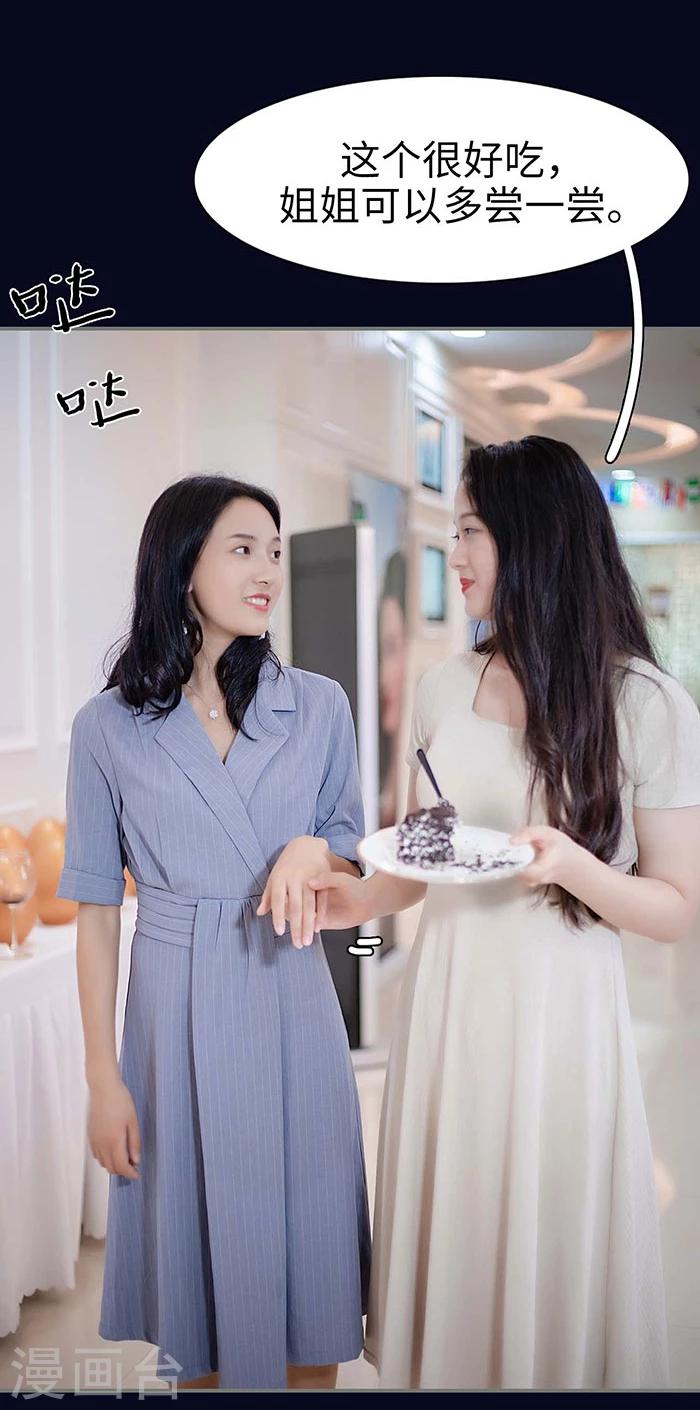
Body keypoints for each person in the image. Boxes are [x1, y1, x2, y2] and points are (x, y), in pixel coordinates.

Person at [309, 435, 700, 1391]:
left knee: (547, 1230)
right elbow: (421, 862)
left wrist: (573, 866)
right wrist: (354, 898)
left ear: (535, 537)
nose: (456, 552)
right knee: (463, 1221)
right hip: (450, 1007)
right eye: (455, 531)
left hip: (564, 1016)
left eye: (471, 530)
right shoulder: (444, 688)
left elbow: (676, 908)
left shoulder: (646, 703)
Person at [56, 475, 371, 1392]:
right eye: (242, 549)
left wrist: (316, 849)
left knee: (309, 1299)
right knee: (195, 1311)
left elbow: (354, 852)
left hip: (292, 1005)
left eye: (273, 550)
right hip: (172, 1020)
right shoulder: (107, 728)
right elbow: (95, 910)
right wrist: (102, 1078)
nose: (267, 569)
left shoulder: (319, 705)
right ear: (181, 563)